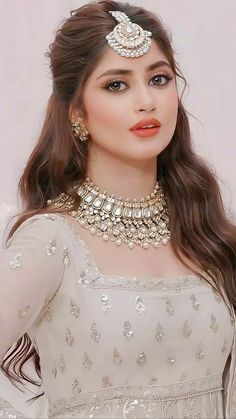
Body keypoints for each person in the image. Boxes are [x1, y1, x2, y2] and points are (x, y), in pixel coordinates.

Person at [0, 0, 236, 417]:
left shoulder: (206, 230)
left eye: (159, 79)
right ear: (77, 112)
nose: (146, 101)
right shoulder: (52, 241)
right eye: (116, 85)